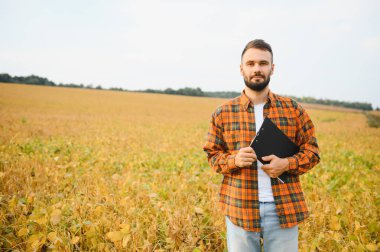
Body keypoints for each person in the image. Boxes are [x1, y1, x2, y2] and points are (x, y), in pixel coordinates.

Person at [203, 39, 320, 252]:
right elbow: (212, 155)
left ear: (272, 68)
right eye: (251, 63)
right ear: (241, 69)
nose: (257, 68)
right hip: (240, 210)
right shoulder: (223, 113)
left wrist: (287, 163)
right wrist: (234, 160)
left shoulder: (293, 110)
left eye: (263, 63)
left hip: (284, 209)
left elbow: (312, 152)